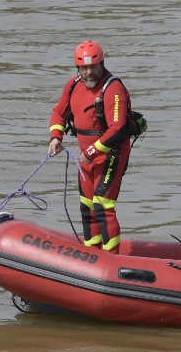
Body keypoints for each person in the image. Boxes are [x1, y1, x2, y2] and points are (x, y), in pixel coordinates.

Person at [47, 40, 134, 252]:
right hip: (85, 156)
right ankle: (92, 252)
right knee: (87, 205)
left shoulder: (113, 89)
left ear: (102, 64)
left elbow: (117, 127)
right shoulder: (74, 84)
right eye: (84, 68)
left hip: (110, 154)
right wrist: (56, 136)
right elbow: (59, 112)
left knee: (102, 204)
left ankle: (111, 257)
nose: (89, 73)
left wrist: (92, 151)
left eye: (93, 67)